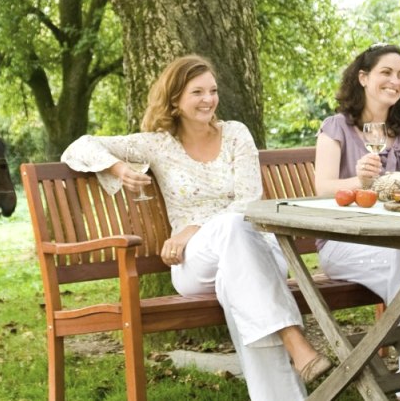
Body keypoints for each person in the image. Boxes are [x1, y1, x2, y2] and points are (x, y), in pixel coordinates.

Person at [61, 54, 330, 400]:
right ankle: (295, 341)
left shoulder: (236, 134)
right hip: (193, 263)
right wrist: (117, 167)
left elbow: (248, 202)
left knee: (238, 274)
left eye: (213, 91)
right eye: (197, 92)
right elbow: (80, 146)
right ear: (175, 100)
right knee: (236, 240)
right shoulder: (157, 143)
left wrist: (191, 229)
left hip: (251, 249)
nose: (208, 100)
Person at [312, 44, 400, 397]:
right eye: (386, 73)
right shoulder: (335, 128)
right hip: (346, 241)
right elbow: (321, 189)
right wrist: (358, 182)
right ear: (363, 78)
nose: (395, 81)